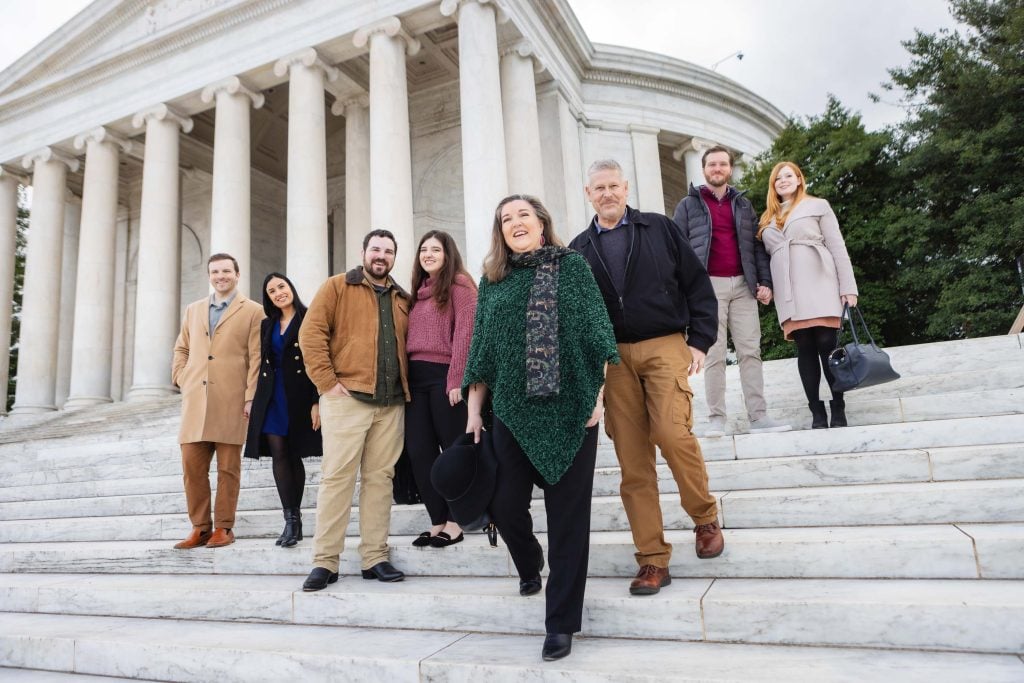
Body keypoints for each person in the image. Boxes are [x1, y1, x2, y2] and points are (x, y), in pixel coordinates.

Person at [463, 194, 617, 661]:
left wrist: (599, 397)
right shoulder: (493, 282)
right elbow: (483, 351)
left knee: (569, 520)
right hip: (511, 410)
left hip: (572, 409)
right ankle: (530, 563)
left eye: (522, 215)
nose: (515, 223)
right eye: (505, 219)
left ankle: (561, 623)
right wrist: (474, 410)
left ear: (541, 221)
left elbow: (597, 332)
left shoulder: (572, 267)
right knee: (506, 505)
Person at [569, 159, 723, 599]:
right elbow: (578, 316)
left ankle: (704, 516)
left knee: (673, 435)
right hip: (611, 360)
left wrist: (700, 339)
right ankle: (652, 560)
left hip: (664, 344)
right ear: (588, 193)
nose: (607, 194)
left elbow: (697, 284)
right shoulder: (579, 249)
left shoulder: (658, 228)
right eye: (599, 188)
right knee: (633, 463)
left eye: (613, 186)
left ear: (626, 187)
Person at [298, 229, 410, 591]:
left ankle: (374, 557)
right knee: (337, 479)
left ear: (394, 257)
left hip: (390, 403)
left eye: (388, 251)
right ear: (363, 251)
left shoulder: (401, 297)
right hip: (348, 398)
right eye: (375, 249)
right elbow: (311, 334)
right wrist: (327, 383)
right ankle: (325, 561)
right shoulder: (335, 287)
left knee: (380, 481)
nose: (381, 255)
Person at [673, 145, 790, 437]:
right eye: (712, 164)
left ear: (729, 168)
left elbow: (756, 247)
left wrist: (765, 282)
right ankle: (716, 419)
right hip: (707, 288)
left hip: (743, 285)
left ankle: (759, 417)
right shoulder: (688, 205)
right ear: (704, 170)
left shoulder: (742, 204)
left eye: (722, 164)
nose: (717, 169)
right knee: (713, 354)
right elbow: (676, 250)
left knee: (751, 351)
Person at [171, 253, 264, 549]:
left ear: (237, 274)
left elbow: (256, 359)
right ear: (209, 275)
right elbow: (182, 348)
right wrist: (181, 377)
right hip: (196, 400)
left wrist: (250, 397)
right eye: (215, 271)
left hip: (232, 400)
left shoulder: (253, 311)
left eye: (226, 271)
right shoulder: (194, 309)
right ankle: (199, 528)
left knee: (228, 469)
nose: (220, 276)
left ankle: (224, 527)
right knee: (191, 467)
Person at [757, 161, 858, 429]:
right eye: (778, 178)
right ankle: (816, 410)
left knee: (827, 343)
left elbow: (837, 246)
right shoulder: (767, 218)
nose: (783, 181)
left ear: (799, 179)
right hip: (789, 287)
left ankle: (838, 406)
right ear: (773, 185)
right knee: (804, 347)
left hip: (820, 278)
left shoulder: (818, 205)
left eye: (788, 176)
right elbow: (761, 257)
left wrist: (848, 288)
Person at [405, 230, 477, 548]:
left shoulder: (460, 285)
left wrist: (457, 378)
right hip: (416, 381)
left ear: (448, 254)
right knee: (420, 452)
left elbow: (466, 330)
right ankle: (436, 520)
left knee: (451, 453)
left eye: (436, 249)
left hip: (445, 376)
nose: (429, 254)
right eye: (424, 249)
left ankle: (457, 521)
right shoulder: (416, 294)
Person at [244, 273, 322, 548]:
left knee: (293, 452)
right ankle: (291, 519)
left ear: (291, 288)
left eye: (281, 287)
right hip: (271, 396)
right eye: (272, 291)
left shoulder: (310, 316)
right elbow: (260, 362)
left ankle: (296, 520)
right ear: (268, 298)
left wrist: (317, 401)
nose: (278, 293)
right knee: (278, 452)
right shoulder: (267, 324)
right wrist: (251, 398)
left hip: (299, 394)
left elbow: (320, 358)